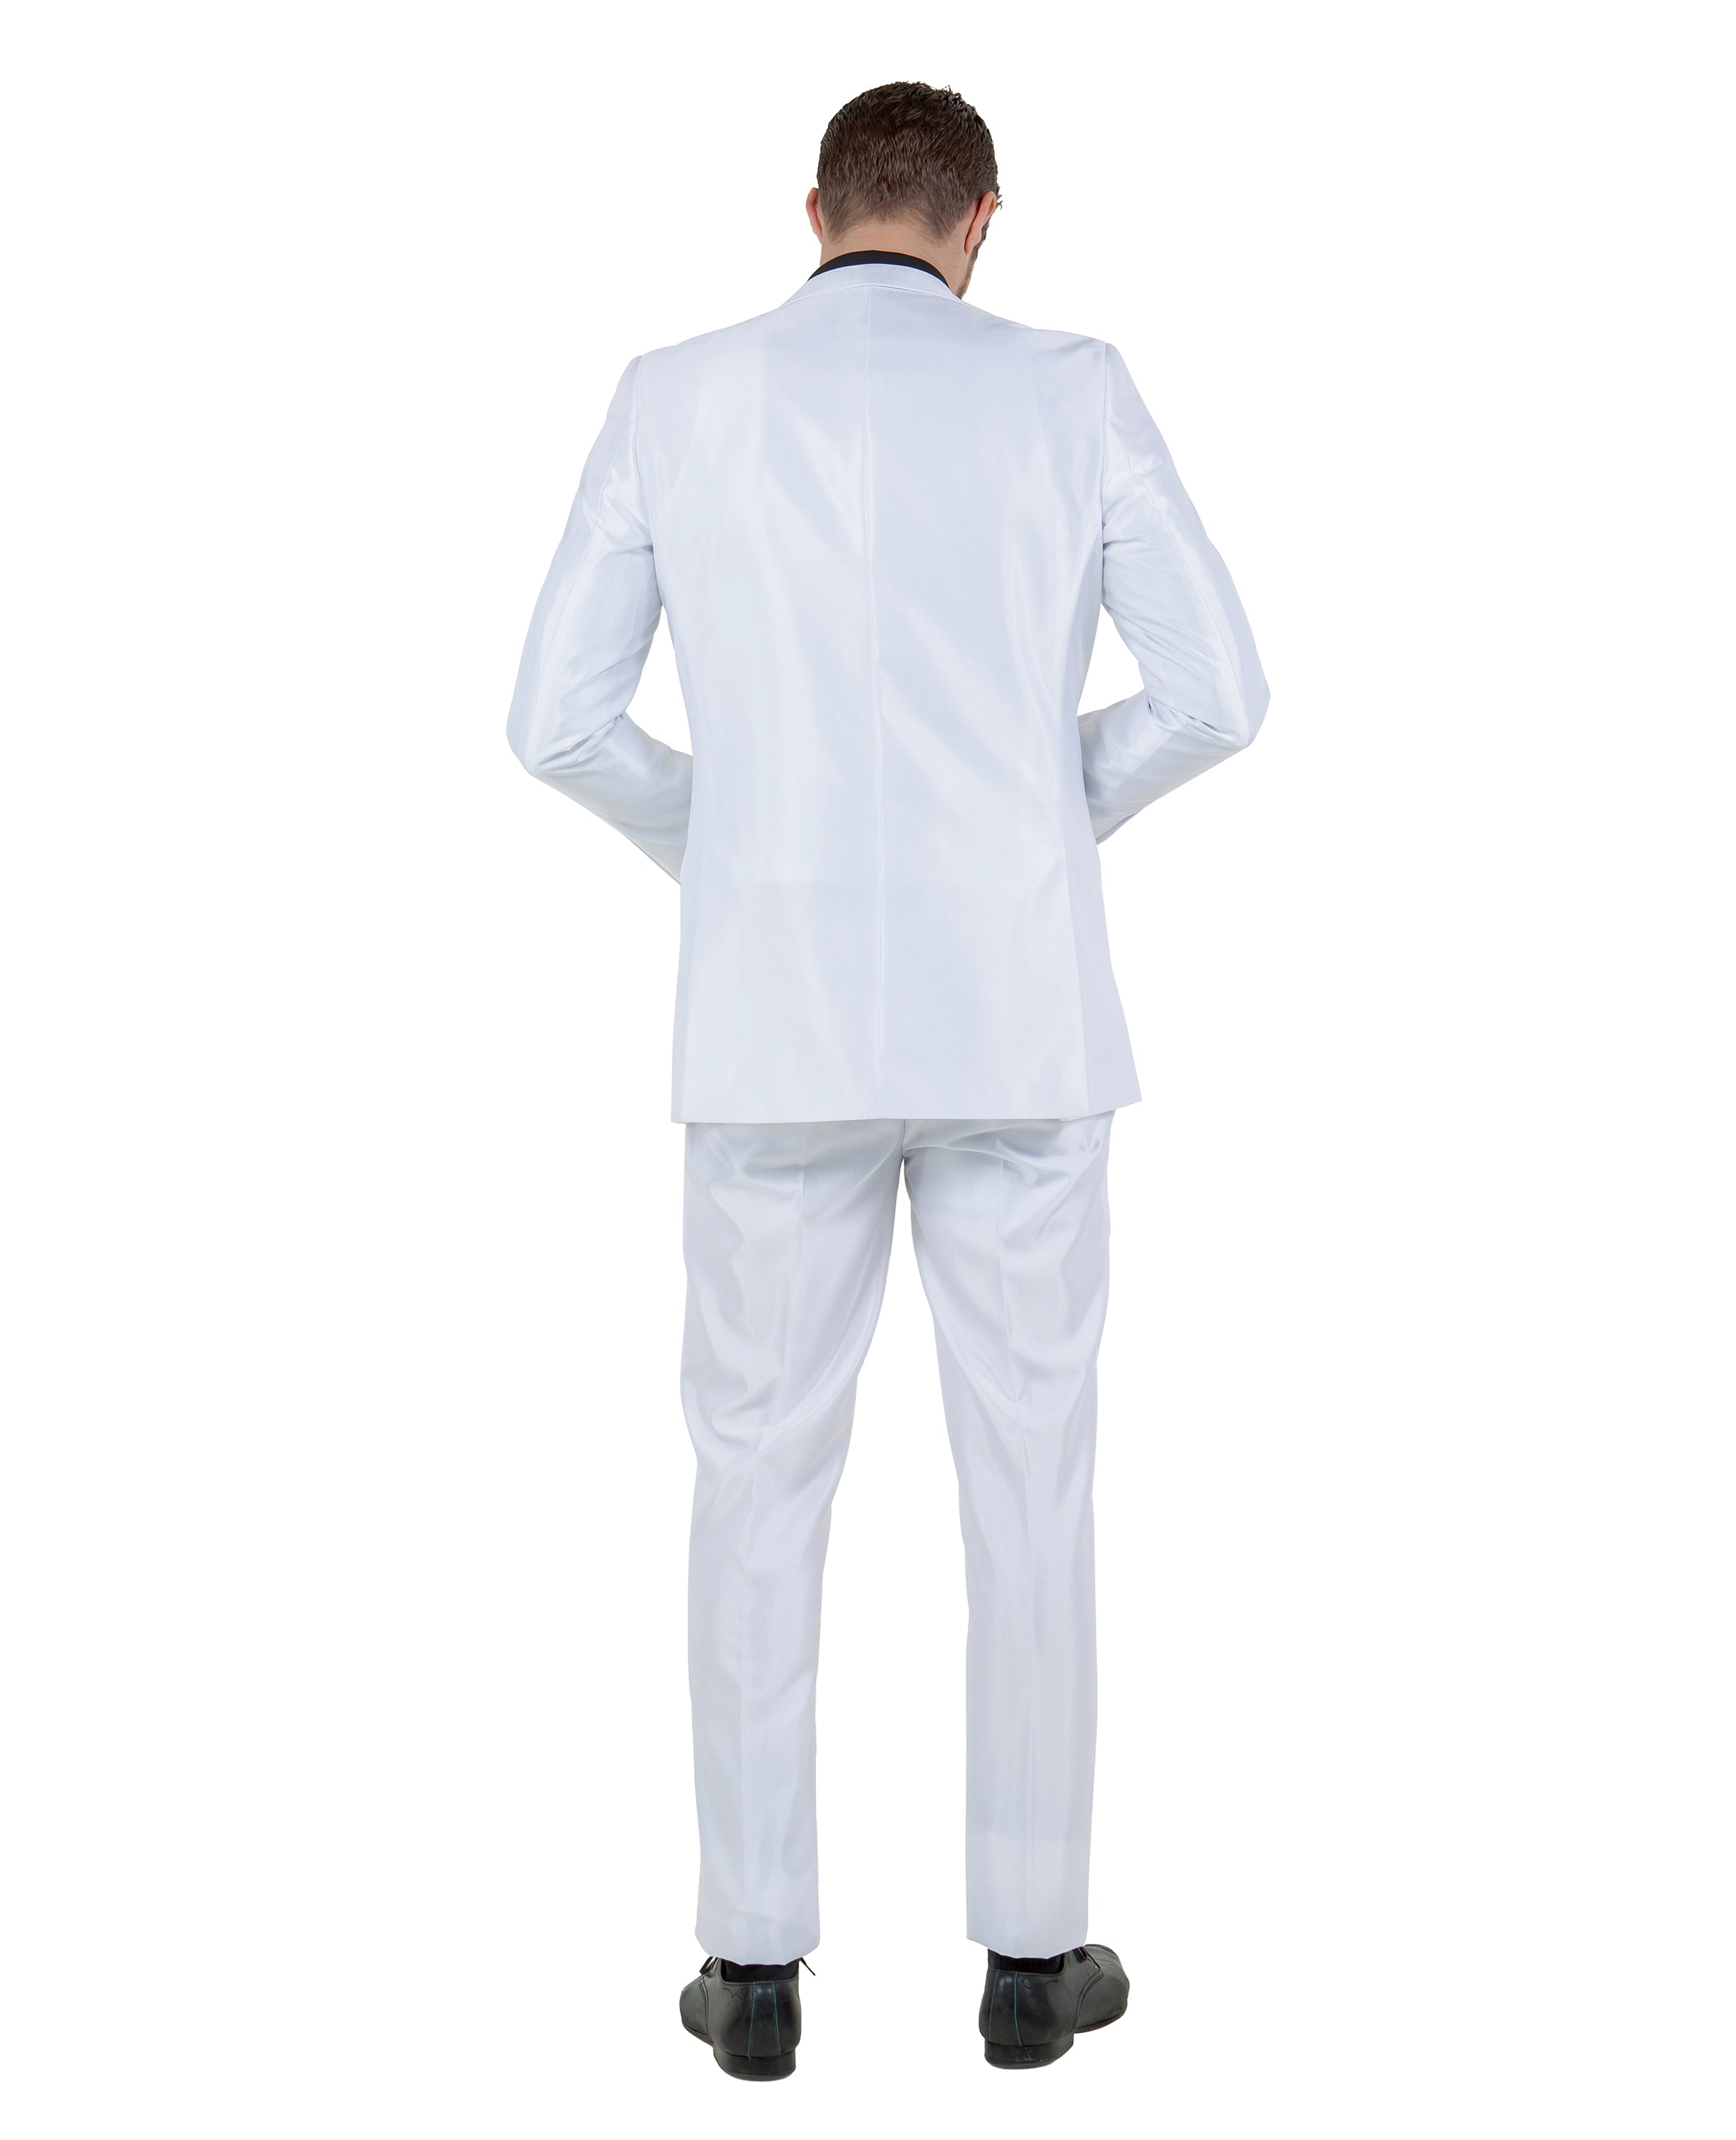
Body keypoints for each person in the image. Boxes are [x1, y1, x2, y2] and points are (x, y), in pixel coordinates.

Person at [506, 80, 1267, 2079]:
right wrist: (1033, 817)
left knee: (757, 1481)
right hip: (1020, 1017)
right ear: (983, 220)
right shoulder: (1073, 389)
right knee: (1033, 1481)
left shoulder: (675, 395)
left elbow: (556, 723)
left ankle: (752, 1970)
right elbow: (1219, 695)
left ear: (815, 208)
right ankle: (1034, 1957)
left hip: (772, 1027)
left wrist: (744, 849)